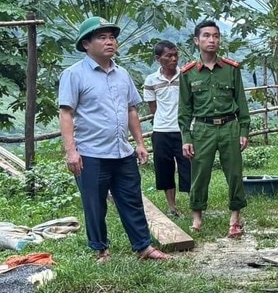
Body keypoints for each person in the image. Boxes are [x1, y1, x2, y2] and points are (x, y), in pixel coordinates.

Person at [58, 17, 169, 263]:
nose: (109, 42)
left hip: (122, 151)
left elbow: (132, 109)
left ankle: (143, 247)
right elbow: (66, 113)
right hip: (90, 152)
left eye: (112, 37)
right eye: (102, 37)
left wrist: (139, 143)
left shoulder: (123, 74)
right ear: (86, 44)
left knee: (132, 199)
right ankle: (101, 250)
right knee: (94, 204)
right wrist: (71, 151)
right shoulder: (73, 75)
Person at [179, 19, 250, 238]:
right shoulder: (188, 73)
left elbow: (242, 102)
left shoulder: (231, 69)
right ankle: (197, 217)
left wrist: (244, 131)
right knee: (199, 174)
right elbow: (184, 110)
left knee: (235, 174)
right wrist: (186, 138)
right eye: (207, 36)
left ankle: (235, 218)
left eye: (216, 36)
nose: (212, 40)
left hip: (229, 126)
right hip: (202, 128)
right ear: (196, 40)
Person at [143, 40, 190, 218]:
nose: (173, 58)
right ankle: (172, 206)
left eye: (175, 55)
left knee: (189, 166)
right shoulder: (151, 80)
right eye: (168, 56)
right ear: (158, 59)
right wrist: (163, 120)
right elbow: (153, 107)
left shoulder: (185, 75)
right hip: (161, 130)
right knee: (164, 169)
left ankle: (195, 204)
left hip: (184, 129)